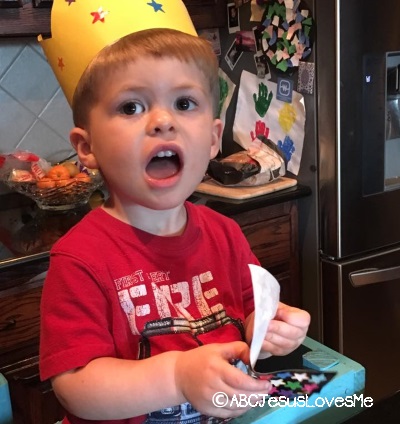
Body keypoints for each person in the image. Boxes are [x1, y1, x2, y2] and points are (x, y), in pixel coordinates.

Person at [39, 16, 310, 424]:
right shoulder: (79, 260)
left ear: (214, 138)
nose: (163, 121)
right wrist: (177, 376)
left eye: (184, 104)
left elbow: (253, 312)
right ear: (86, 146)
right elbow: (75, 386)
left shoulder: (226, 234)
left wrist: (272, 327)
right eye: (131, 106)